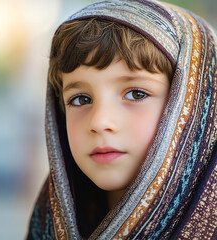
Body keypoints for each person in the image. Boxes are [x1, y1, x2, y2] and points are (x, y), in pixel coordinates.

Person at [27, 0, 217, 239]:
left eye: (137, 94)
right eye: (81, 99)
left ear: (197, 105)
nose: (99, 122)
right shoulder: (46, 225)